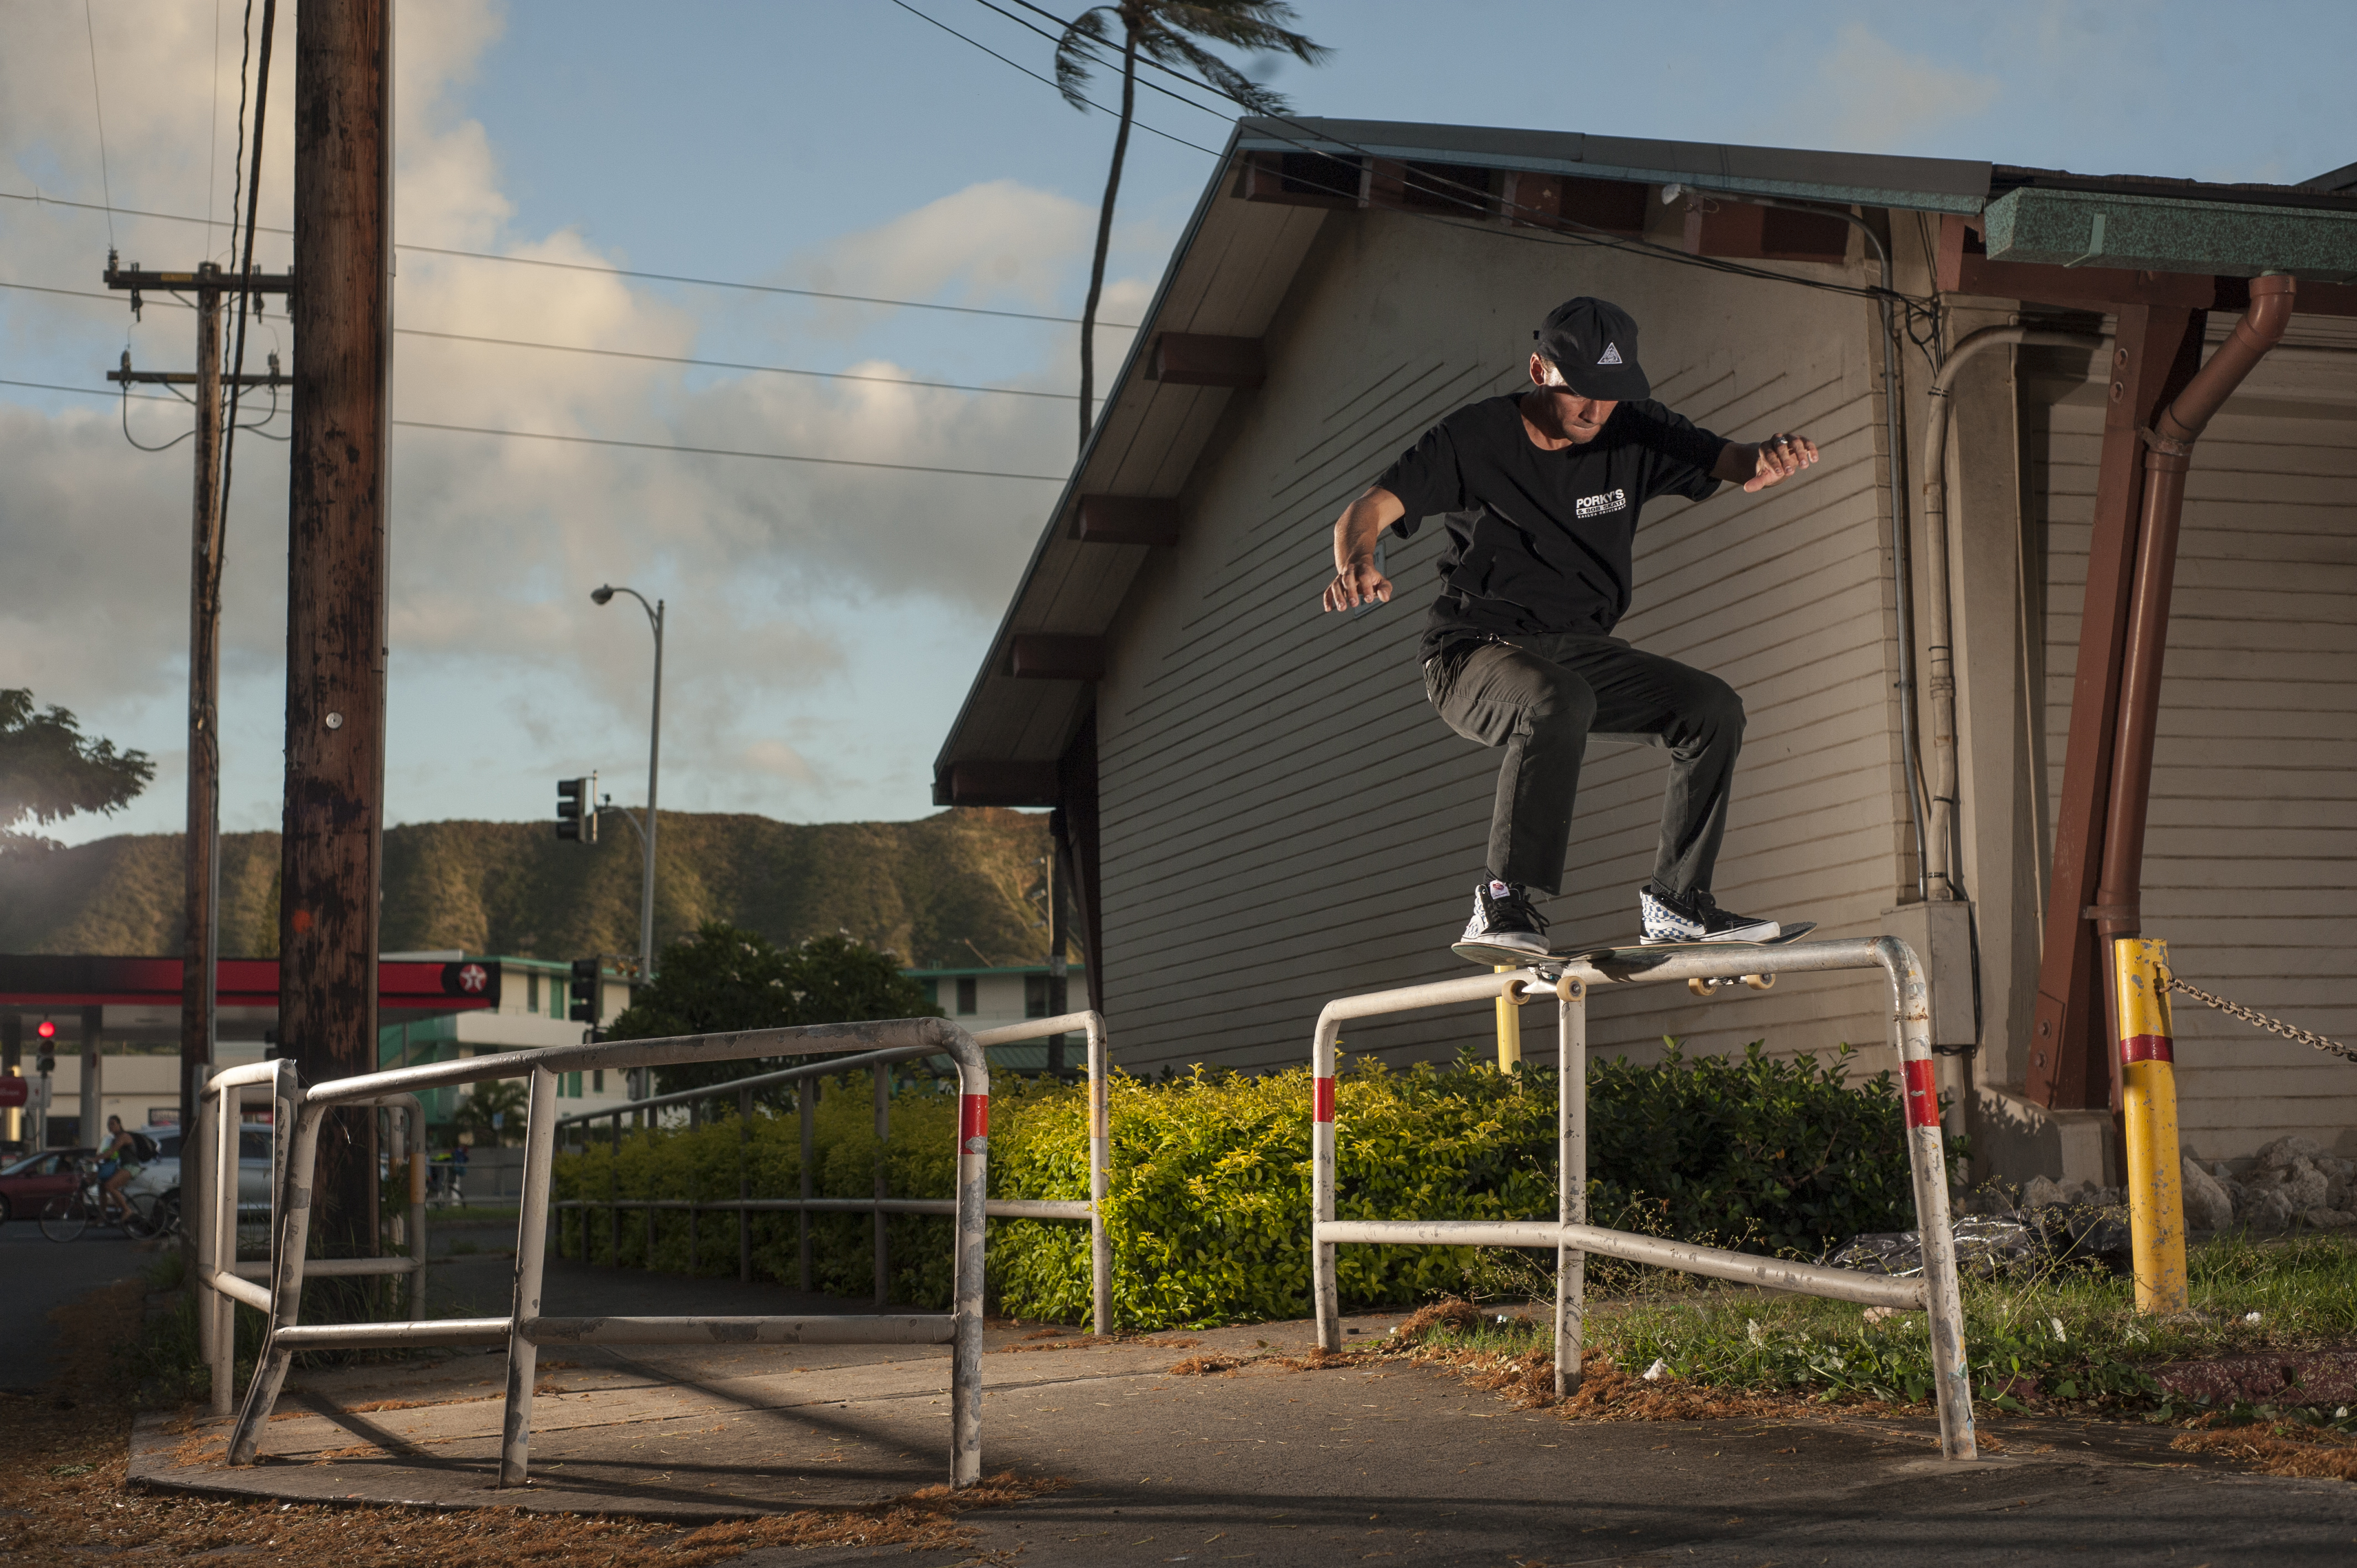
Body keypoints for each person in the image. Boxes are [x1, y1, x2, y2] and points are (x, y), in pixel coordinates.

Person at [1320, 297, 1821, 957]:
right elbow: (1369, 507)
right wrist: (1358, 560)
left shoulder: (1635, 426)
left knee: (1710, 708)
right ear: (1539, 369)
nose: (1593, 413)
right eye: (1579, 394)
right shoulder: (1476, 437)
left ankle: (1677, 902)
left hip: (1581, 651)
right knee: (1558, 699)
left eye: (1609, 397)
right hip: (1474, 654)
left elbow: (1736, 463)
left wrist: (1771, 457)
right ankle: (1500, 899)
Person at [95, 1114, 142, 1225]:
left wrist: (95, 1158)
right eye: (108, 1125)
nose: (110, 1127)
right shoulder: (114, 1140)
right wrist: (100, 1162)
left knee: (109, 1186)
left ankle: (127, 1210)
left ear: (119, 1125)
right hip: (123, 1166)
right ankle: (102, 1216)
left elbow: (111, 1152)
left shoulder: (124, 1137)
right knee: (102, 1186)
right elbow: (112, 1156)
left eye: (113, 1124)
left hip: (132, 1167)